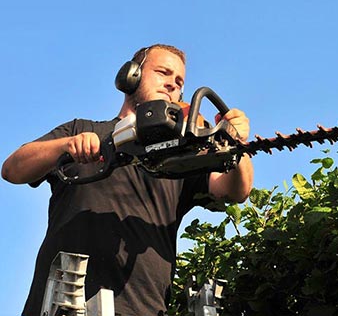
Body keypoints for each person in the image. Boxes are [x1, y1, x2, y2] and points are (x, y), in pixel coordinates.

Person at [2, 44, 253, 316]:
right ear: (130, 76)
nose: (172, 84)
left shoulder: (181, 155)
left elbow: (235, 190)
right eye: (163, 72)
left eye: (179, 81)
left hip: (143, 307)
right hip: (61, 302)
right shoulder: (83, 130)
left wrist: (235, 144)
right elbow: (13, 169)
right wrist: (67, 146)